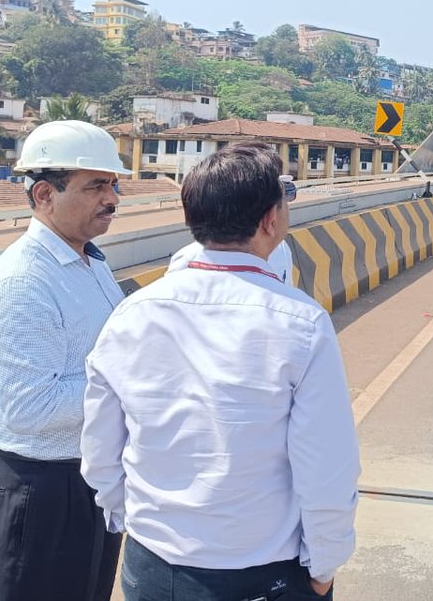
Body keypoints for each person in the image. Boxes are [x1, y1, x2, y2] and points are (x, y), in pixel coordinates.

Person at [81, 143, 359, 601]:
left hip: (154, 566)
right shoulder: (302, 323)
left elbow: (100, 449)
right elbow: (326, 466)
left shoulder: (131, 314)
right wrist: (324, 565)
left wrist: (131, 519)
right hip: (262, 571)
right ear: (271, 219)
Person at [0, 120, 131, 601]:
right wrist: (133, 381)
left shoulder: (89, 261)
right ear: (44, 193)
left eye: (113, 184)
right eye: (95, 187)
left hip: (89, 479)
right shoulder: (23, 283)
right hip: (41, 489)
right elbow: (30, 407)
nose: (112, 199)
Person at [167, 158, 297, 285]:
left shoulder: (281, 249)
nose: (286, 205)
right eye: (283, 196)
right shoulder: (188, 260)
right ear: (270, 217)